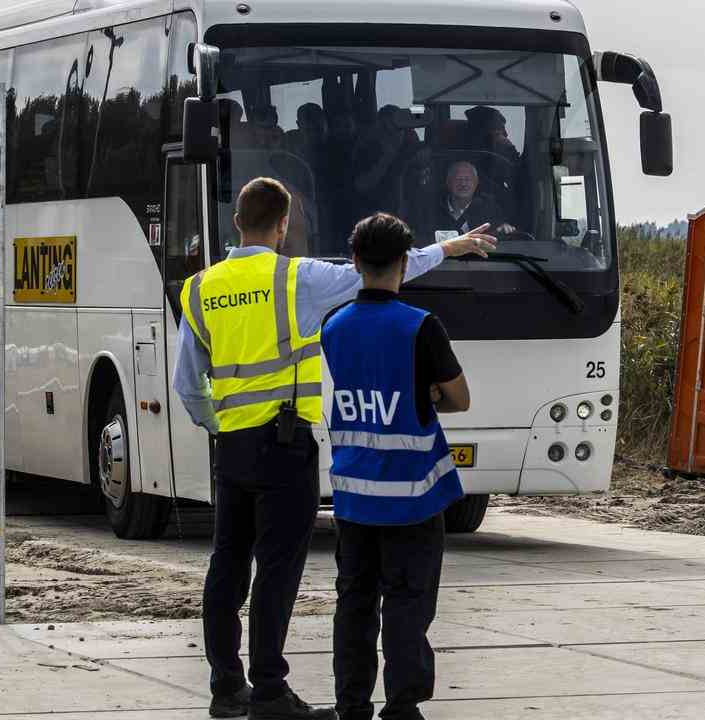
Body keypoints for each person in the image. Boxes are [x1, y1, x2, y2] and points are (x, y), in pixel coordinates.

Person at [172, 178, 496, 720]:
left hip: (231, 448)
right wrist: (447, 248)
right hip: (285, 443)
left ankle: (226, 686)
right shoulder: (295, 277)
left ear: (235, 223)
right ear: (282, 226)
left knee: (226, 563)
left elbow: (187, 383)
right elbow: (379, 274)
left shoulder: (200, 287)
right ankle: (270, 690)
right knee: (277, 570)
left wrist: (219, 424)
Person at [322, 213, 470, 720]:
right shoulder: (420, 326)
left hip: (353, 499)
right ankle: (403, 706)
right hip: (412, 500)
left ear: (356, 261)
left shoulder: (333, 327)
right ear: (405, 264)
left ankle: (351, 704)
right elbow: (459, 398)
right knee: (407, 605)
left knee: (354, 604)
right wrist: (425, 394)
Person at [428, 161, 514, 243]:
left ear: (476, 183)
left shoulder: (490, 209)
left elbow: (499, 231)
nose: (463, 184)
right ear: (448, 182)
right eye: (458, 179)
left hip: (483, 257)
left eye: (468, 179)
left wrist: (504, 228)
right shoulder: (432, 210)